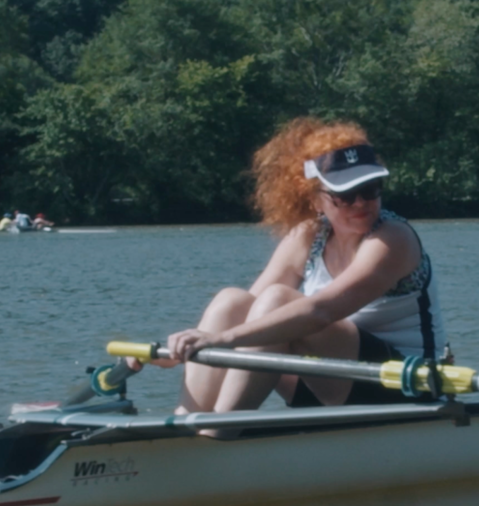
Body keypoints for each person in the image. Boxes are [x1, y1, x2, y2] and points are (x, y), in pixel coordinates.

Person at [152, 117, 446, 415]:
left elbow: (321, 311)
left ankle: (218, 433)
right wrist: (179, 350)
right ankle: (185, 423)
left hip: (405, 384)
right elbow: (242, 316)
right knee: (231, 302)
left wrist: (219, 340)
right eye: (344, 195)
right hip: (331, 380)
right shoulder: (308, 237)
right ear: (316, 200)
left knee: (277, 300)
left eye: (370, 189)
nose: (360, 203)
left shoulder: (393, 239)